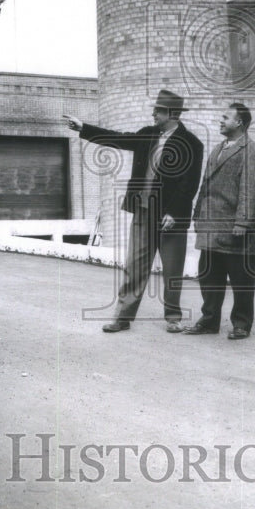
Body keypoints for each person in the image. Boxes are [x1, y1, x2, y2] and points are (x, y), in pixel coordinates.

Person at [63, 90, 204, 333]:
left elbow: (190, 183)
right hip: (143, 211)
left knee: (173, 268)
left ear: (171, 114)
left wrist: (174, 212)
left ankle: (173, 317)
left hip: (170, 217)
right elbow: (118, 138)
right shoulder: (148, 135)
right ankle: (123, 317)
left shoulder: (192, 143)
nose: (153, 114)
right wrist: (83, 128)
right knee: (134, 265)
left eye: (158, 111)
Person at [186, 102, 255, 340]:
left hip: (236, 230)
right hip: (211, 228)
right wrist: (198, 215)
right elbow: (205, 186)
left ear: (239, 122)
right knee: (209, 276)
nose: (221, 121)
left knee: (241, 280)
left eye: (225, 117)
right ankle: (209, 320)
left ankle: (241, 324)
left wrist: (242, 223)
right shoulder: (217, 149)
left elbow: (251, 191)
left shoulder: (254, 151)